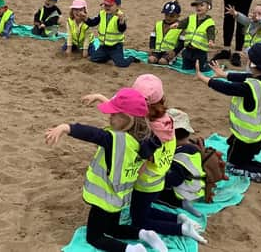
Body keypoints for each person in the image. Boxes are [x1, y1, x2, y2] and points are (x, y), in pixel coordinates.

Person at [82, 75, 207, 244]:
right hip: (158, 179)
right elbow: (123, 109)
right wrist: (99, 97)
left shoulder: (144, 129)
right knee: (143, 210)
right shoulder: (166, 120)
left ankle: (181, 228)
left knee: (139, 220)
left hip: (144, 182)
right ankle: (180, 218)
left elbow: (124, 122)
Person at [45, 88, 166, 252]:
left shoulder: (114, 139)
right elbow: (125, 112)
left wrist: (67, 128)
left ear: (127, 119)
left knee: (94, 237)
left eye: (113, 114)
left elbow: (93, 134)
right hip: (119, 196)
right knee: (112, 228)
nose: (109, 116)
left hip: (104, 197)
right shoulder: (145, 137)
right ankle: (144, 234)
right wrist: (100, 97)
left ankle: (131, 250)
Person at [194, 43, 261, 190]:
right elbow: (246, 76)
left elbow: (227, 88)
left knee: (233, 165)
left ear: (252, 63)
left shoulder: (250, 87)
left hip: (246, 138)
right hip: (258, 136)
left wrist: (203, 78)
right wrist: (225, 74)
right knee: (245, 159)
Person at [159, 109, 206, 216]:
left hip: (185, 193)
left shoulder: (180, 155)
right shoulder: (192, 146)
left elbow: (173, 180)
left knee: (153, 192)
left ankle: (181, 204)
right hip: (197, 187)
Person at [86, 0, 136, 67]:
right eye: (106, 5)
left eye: (110, 5)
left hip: (115, 47)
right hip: (103, 46)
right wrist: (85, 19)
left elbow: (122, 29)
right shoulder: (102, 14)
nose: (107, 7)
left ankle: (131, 58)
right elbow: (93, 23)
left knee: (121, 64)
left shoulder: (120, 16)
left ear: (118, 6)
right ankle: (108, 56)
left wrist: (122, 21)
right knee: (93, 59)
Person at [176, 0, 215, 71]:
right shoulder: (191, 18)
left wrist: (211, 41)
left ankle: (210, 64)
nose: (198, 7)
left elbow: (211, 33)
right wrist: (177, 25)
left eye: (202, 5)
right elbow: (183, 23)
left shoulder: (210, 23)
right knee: (186, 68)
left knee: (202, 69)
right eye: (196, 6)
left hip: (200, 52)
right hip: (188, 49)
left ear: (209, 7)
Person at [148, 0, 184, 65]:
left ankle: (173, 59)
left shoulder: (180, 27)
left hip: (169, 52)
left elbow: (182, 43)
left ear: (178, 16)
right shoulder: (158, 24)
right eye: (166, 15)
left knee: (162, 62)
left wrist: (175, 52)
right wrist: (152, 48)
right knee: (151, 60)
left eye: (172, 16)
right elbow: (153, 37)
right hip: (157, 50)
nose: (168, 17)